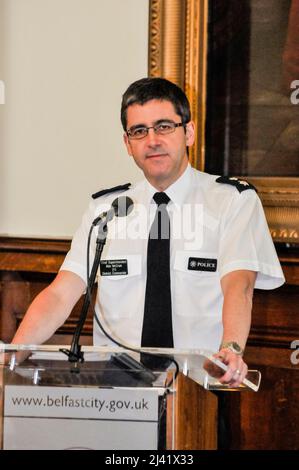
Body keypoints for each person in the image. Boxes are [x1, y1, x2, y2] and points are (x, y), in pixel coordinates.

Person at [12, 77, 285, 387]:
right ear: (128, 144)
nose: (152, 140)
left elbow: (240, 285)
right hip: (117, 395)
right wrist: (12, 357)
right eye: (139, 131)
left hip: (199, 388)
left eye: (164, 126)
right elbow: (61, 294)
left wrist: (231, 349)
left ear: (189, 132)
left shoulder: (231, 201)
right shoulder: (107, 210)